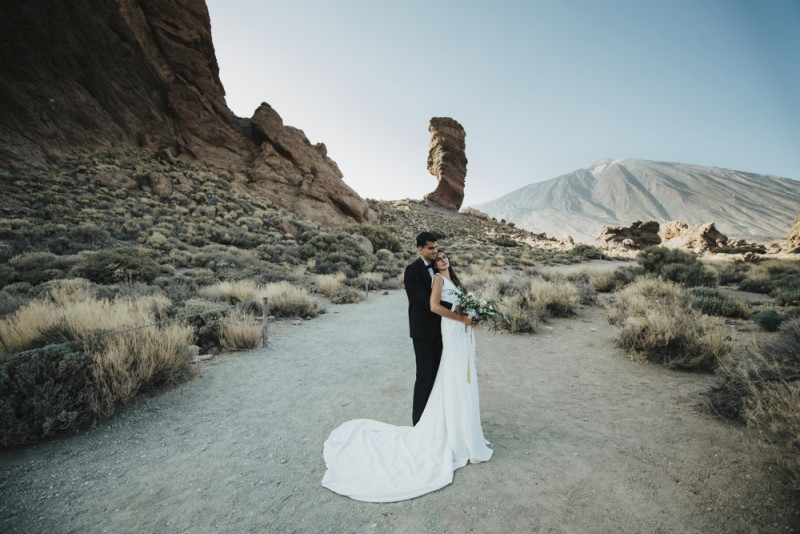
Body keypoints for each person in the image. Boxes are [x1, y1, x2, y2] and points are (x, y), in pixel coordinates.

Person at [321, 248, 493, 502]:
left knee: (461, 376)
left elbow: (459, 304)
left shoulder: (455, 280)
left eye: (444, 256)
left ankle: (465, 428)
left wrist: (473, 315)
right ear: (434, 264)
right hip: (452, 328)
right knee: (453, 376)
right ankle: (455, 432)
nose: (442, 259)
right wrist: (461, 318)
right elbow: (434, 306)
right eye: (438, 258)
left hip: (460, 330)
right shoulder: (438, 279)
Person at [403, 231, 444, 425]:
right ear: (420, 249)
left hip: (442, 330)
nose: (435, 251)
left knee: (438, 374)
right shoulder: (412, 271)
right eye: (431, 248)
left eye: (436, 247)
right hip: (423, 332)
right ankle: (419, 423)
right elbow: (424, 301)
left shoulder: (439, 267)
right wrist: (454, 311)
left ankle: (435, 418)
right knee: (424, 376)